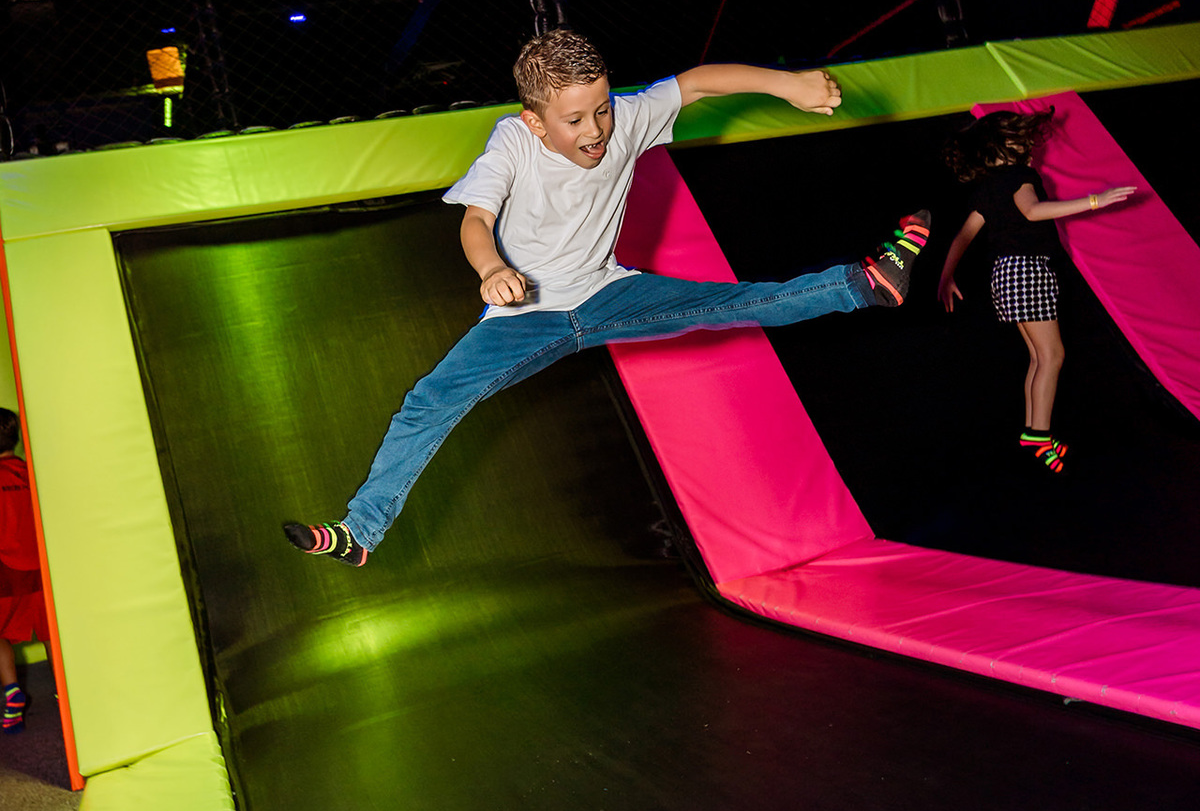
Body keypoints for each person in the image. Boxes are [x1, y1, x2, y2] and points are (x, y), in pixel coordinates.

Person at [285, 30, 931, 565]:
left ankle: (863, 285)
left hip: (608, 295)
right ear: (536, 122)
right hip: (525, 316)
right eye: (575, 120)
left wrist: (788, 84)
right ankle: (360, 531)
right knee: (431, 399)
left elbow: (699, 81)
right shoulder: (512, 143)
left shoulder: (626, 119)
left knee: (734, 303)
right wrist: (489, 271)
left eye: (602, 109)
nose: (596, 131)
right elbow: (475, 220)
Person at [938, 110, 1135, 471]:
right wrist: (1094, 201)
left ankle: (1033, 431)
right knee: (1053, 356)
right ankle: (1039, 436)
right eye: (1023, 141)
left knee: (1039, 357)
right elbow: (1032, 212)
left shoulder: (988, 187)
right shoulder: (1020, 176)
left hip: (1004, 275)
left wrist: (946, 277)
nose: (1030, 147)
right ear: (1006, 146)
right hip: (1027, 271)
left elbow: (964, 235)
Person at [0, 406, 46, 733]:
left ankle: (12, 691)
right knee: (53, 637)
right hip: (42, 571)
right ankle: (69, 694)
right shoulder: (33, 474)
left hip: (6, 573)